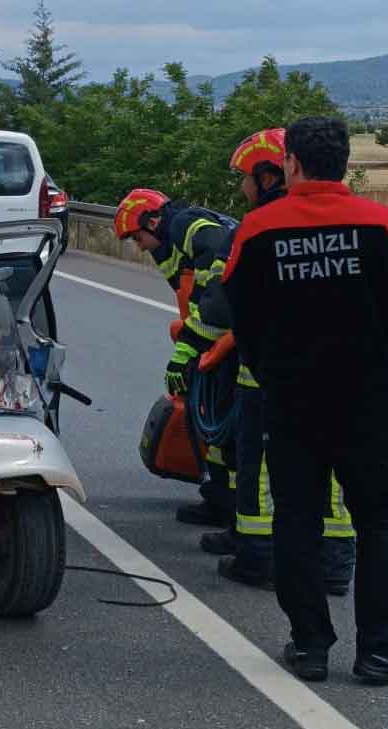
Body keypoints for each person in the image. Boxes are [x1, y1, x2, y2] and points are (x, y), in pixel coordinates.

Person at [224, 116, 388, 684]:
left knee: (296, 521)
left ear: (290, 163)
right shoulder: (381, 223)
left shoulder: (258, 229)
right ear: (344, 163)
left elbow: (242, 318)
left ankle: (310, 647)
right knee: (381, 524)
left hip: (290, 406)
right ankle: (380, 651)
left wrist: (268, 373)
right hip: (365, 405)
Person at [206, 128, 356, 594]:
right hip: (342, 373)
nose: (242, 189)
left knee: (260, 467)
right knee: (333, 468)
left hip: (269, 375)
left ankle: (257, 556)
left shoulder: (259, 227)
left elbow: (226, 305)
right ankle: (334, 563)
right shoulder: (358, 221)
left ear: (273, 172)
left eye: (246, 179)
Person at [115, 188, 236, 527]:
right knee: (212, 416)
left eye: (138, 237)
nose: (138, 246)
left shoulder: (187, 224)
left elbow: (219, 285)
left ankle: (232, 504)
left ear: (153, 221)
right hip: (214, 338)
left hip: (229, 335)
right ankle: (221, 497)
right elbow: (193, 296)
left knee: (227, 422)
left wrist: (188, 347)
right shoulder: (168, 244)